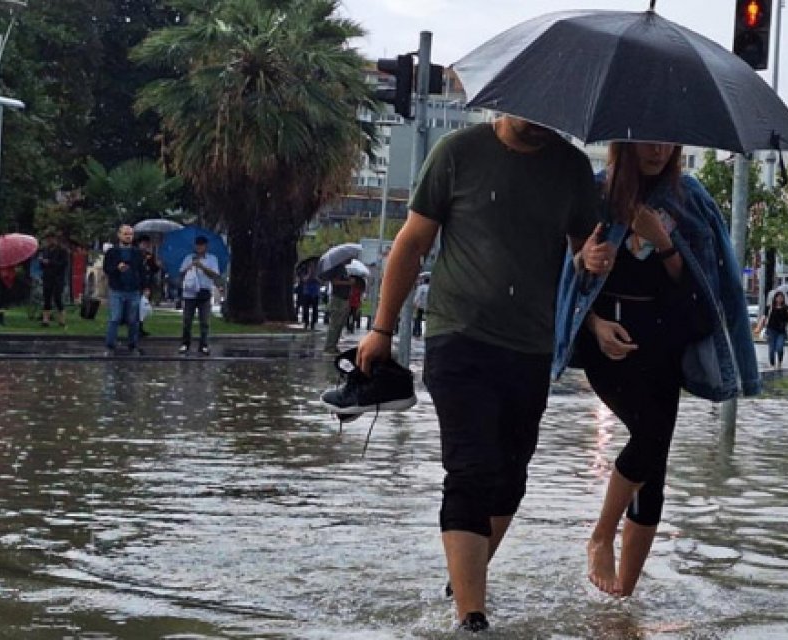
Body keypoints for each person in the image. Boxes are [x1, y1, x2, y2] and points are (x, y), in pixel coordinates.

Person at [354, 115, 598, 632]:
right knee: (471, 469)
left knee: (511, 478)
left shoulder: (572, 168)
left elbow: (583, 258)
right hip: (458, 336)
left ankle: (464, 577)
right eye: (532, 114)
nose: (542, 124)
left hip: (531, 345)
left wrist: (594, 260)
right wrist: (380, 329)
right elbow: (412, 242)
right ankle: (472, 618)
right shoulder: (457, 152)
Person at [553, 142, 759, 599]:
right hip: (607, 342)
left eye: (667, 143)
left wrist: (663, 242)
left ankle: (623, 599)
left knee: (654, 467)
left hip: (664, 345)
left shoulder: (689, 198)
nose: (658, 151)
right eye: (647, 140)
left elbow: (698, 290)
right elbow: (565, 277)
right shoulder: (595, 195)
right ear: (625, 143)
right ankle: (601, 535)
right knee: (647, 437)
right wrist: (590, 292)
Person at [103, 225, 147, 354]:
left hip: (133, 290)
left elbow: (142, 271)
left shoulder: (137, 253)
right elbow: (107, 269)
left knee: (133, 319)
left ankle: (133, 344)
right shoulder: (112, 252)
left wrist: (145, 287)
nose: (128, 236)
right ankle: (110, 344)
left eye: (130, 234)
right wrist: (117, 268)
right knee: (115, 317)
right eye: (125, 234)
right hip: (117, 289)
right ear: (119, 235)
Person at [178, 236, 220, 355]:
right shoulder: (189, 258)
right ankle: (185, 343)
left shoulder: (212, 259)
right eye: (197, 245)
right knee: (187, 320)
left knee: (204, 321)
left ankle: (204, 345)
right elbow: (181, 273)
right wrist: (189, 267)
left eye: (202, 245)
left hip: (204, 292)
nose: (199, 247)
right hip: (190, 293)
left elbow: (214, 274)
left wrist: (202, 267)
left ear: (206, 246)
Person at [39, 234, 70, 328]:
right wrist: (42, 262)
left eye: (51, 239)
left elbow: (63, 264)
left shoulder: (62, 251)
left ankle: (62, 319)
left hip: (58, 278)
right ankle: (45, 320)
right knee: (46, 298)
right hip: (47, 277)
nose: (49, 241)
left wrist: (50, 262)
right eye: (48, 239)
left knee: (57, 298)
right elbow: (43, 265)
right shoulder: (46, 250)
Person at [322, 264, 354, 354]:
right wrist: (349, 282)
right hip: (338, 299)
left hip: (344, 298)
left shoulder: (344, 269)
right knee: (335, 323)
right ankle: (329, 346)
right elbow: (335, 282)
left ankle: (334, 345)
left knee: (340, 324)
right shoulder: (338, 268)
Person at [756, 291, 788, 369]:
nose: (779, 299)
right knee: (771, 349)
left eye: (781, 297)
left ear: (783, 299)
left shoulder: (786, 308)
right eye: (778, 297)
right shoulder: (770, 307)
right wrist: (759, 327)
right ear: (775, 298)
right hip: (771, 330)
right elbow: (764, 317)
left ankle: (780, 362)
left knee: (779, 347)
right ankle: (772, 364)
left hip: (781, 331)